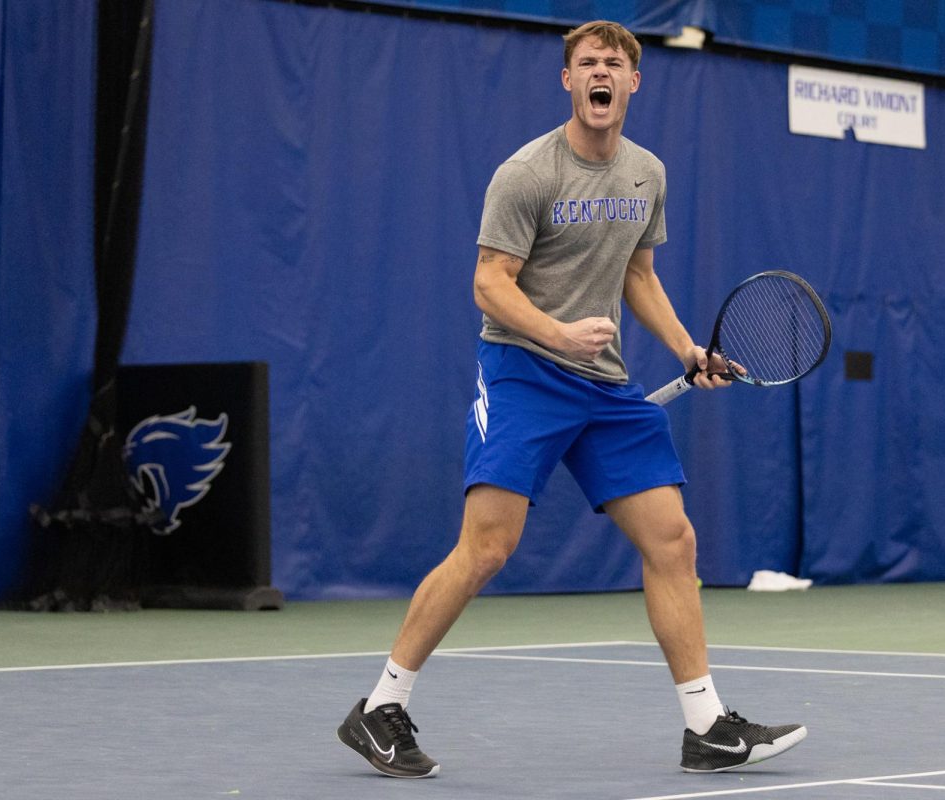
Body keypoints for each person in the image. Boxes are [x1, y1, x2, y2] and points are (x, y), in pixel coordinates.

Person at [336, 20, 806, 778]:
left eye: (614, 64)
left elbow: (639, 276)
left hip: (605, 384)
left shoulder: (646, 172)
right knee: (488, 545)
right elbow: (489, 283)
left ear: (633, 84)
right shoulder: (526, 173)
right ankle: (381, 706)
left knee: (672, 541)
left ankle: (706, 726)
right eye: (587, 62)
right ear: (567, 81)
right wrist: (557, 334)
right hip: (525, 369)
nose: (601, 73)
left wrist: (688, 349)